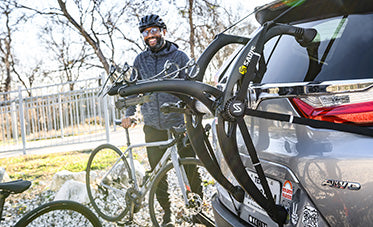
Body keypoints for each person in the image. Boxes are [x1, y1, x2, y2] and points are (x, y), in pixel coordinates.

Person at [121, 14, 202, 227]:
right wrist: (129, 113)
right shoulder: (140, 60)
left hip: (179, 124)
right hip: (152, 126)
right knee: (158, 173)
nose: (150, 35)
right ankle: (167, 214)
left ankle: (198, 211)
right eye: (146, 32)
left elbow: (193, 86)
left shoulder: (180, 57)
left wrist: (191, 112)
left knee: (190, 170)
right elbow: (132, 91)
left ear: (163, 31)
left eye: (154, 30)